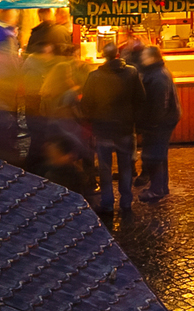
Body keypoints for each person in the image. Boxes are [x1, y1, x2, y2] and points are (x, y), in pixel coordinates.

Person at [74, 41, 141, 219]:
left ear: (104, 55)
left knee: (105, 168)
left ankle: (108, 203)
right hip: (125, 128)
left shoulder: (94, 76)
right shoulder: (132, 73)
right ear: (118, 55)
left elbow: (86, 103)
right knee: (125, 166)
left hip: (102, 128)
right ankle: (126, 202)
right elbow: (140, 98)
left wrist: (92, 120)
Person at [119, 28, 177, 200]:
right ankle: (161, 186)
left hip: (159, 123)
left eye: (144, 56)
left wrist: (151, 124)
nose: (142, 59)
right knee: (159, 155)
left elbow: (160, 105)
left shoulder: (158, 77)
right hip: (162, 120)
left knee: (155, 155)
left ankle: (157, 189)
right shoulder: (156, 71)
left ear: (151, 58)